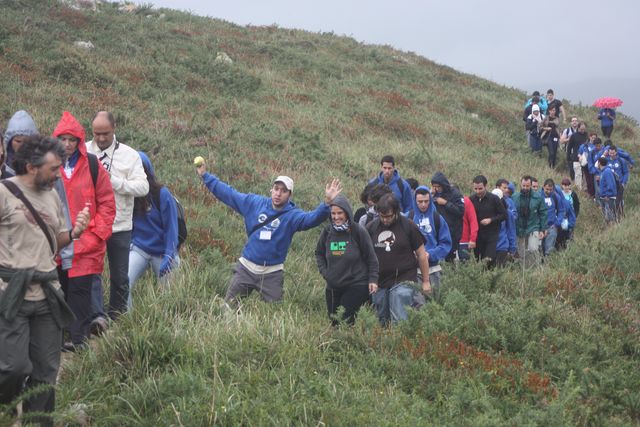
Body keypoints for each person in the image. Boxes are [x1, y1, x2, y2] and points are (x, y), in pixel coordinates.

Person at [0, 136, 89, 425]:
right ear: (31, 167)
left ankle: (38, 421)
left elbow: (56, 242)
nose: (58, 174)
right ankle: (8, 406)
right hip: (10, 295)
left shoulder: (52, 196)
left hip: (48, 295)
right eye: (53, 169)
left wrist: (75, 232)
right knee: (12, 368)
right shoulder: (4, 194)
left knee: (46, 372)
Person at [196, 159, 342, 304]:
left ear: (289, 195)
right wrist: (205, 176)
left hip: (272, 273)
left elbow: (312, 219)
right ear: (271, 190)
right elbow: (229, 194)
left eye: (284, 191)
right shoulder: (254, 203)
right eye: (276, 189)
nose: (278, 193)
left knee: (275, 312)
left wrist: (327, 203)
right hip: (246, 268)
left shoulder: (292, 216)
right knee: (228, 307)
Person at [52, 112, 116, 350]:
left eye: (72, 139)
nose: (67, 144)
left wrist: (98, 234)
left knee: (80, 297)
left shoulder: (91, 165)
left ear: (79, 141)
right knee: (60, 295)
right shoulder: (49, 166)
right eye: (63, 139)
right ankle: (58, 344)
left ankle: (78, 344)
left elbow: (107, 202)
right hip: (59, 245)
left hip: (87, 246)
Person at [86, 111, 149, 332]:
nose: (101, 138)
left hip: (120, 225)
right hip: (91, 225)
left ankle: (117, 321)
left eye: (105, 133)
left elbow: (143, 187)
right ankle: (95, 319)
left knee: (120, 277)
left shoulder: (130, 156)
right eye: (96, 134)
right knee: (91, 273)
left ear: (114, 129)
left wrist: (115, 183)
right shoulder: (83, 151)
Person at [366, 193, 430, 325]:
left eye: (388, 216)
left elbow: (422, 255)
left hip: (404, 278)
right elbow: (365, 256)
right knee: (381, 319)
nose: (385, 220)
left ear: (396, 212)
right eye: (382, 216)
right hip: (380, 281)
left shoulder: (408, 226)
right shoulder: (371, 228)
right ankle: (385, 344)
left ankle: (401, 343)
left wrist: (426, 281)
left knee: (399, 317)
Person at [127, 152, 180, 309]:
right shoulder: (129, 193)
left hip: (163, 252)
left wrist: (170, 255)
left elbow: (172, 228)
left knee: (170, 295)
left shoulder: (161, 194)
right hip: (140, 249)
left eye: (141, 169)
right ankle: (126, 321)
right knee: (123, 282)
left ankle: (169, 324)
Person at [315, 195, 378, 325]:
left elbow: (371, 257)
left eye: (340, 213)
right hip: (333, 285)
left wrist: (373, 279)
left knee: (344, 320)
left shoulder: (358, 231)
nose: (336, 217)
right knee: (334, 323)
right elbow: (319, 253)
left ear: (347, 213)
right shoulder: (327, 232)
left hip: (356, 284)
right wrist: (325, 273)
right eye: (333, 213)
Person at [411, 186, 452, 299]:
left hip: (434, 269)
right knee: (417, 305)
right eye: (420, 202)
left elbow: (446, 244)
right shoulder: (408, 218)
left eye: (426, 201)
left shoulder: (437, 218)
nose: (423, 204)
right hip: (413, 271)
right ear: (415, 201)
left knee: (435, 303)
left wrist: (431, 254)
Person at [469, 175, 506, 268]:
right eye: (475, 189)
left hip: (491, 235)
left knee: (489, 258)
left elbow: (504, 215)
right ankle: (480, 279)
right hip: (478, 235)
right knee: (478, 260)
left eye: (480, 188)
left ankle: (490, 278)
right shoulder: (471, 199)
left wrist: (491, 220)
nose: (478, 191)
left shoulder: (494, 199)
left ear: (486, 186)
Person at [512, 176, 547, 268]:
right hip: (519, 227)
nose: (525, 188)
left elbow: (543, 213)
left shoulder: (538, 197)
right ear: (521, 184)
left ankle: (536, 268)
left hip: (533, 226)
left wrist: (543, 229)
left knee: (533, 248)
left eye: (527, 186)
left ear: (531, 185)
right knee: (521, 251)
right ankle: (524, 270)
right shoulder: (515, 197)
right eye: (523, 185)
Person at [430, 172, 465, 261]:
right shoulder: (433, 194)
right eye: (434, 186)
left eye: (438, 186)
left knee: (450, 259)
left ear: (443, 184)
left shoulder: (455, 193)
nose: (437, 188)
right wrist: (431, 195)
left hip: (452, 232)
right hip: (437, 232)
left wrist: (446, 203)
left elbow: (461, 211)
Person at [3, 111, 40, 178]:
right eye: (18, 141)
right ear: (10, 141)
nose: (22, 145)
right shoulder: (3, 166)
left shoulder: (41, 163)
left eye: (26, 141)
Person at [495, 179, 517, 265]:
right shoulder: (488, 202)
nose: (506, 190)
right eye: (504, 188)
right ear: (497, 187)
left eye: (507, 188)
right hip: (490, 245)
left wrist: (512, 247)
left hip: (502, 244)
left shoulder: (509, 202)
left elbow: (511, 228)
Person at [541, 179, 565, 256]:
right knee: (539, 249)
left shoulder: (556, 196)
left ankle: (547, 265)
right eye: (547, 189)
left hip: (552, 226)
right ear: (543, 187)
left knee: (549, 249)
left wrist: (557, 223)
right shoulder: (538, 196)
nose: (548, 191)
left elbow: (561, 210)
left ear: (553, 189)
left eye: (550, 190)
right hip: (540, 228)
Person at [556, 178, 579, 250]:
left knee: (570, 234)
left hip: (570, 216)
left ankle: (571, 249)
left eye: (567, 185)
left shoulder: (573, 194)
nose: (566, 187)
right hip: (561, 218)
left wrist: (575, 215)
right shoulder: (559, 194)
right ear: (562, 186)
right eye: (564, 185)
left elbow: (577, 205)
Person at [458, 188, 478, 262]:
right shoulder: (466, 201)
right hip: (462, 241)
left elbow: (473, 221)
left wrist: (473, 239)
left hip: (463, 241)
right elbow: (473, 221)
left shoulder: (466, 201)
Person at [596, 157, 617, 224]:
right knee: (606, 218)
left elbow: (611, 185)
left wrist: (607, 195)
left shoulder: (607, 171)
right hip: (604, 198)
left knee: (610, 218)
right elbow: (603, 185)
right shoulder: (602, 172)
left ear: (599, 163)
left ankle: (614, 231)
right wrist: (598, 181)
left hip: (608, 198)